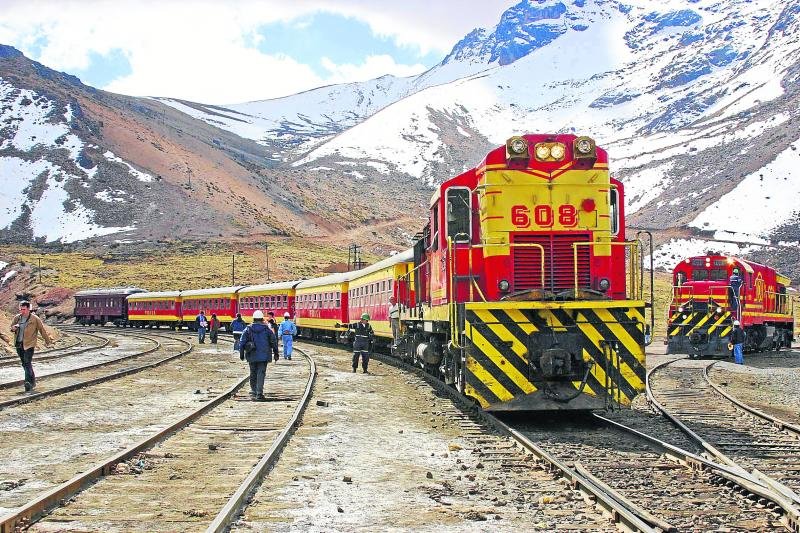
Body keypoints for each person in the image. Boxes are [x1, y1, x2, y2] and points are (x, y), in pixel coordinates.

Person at [10, 301, 53, 392]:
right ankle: (32, 382)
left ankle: (27, 383)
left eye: (24, 309)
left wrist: (48, 341)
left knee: (27, 362)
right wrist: (13, 328)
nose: (22, 311)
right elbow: (11, 328)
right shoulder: (17, 318)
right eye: (21, 309)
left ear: (29, 309)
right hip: (19, 344)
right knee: (24, 364)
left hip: (29, 344)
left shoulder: (35, 319)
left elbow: (42, 330)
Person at [239, 310, 278, 401]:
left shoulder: (248, 329)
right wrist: (276, 353)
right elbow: (273, 341)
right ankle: (259, 393)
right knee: (261, 373)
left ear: (253, 318)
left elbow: (242, 342)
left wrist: (241, 354)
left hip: (251, 355)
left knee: (253, 373)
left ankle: (254, 391)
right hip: (264, 355)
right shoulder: (267, 329)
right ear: (261, 318)